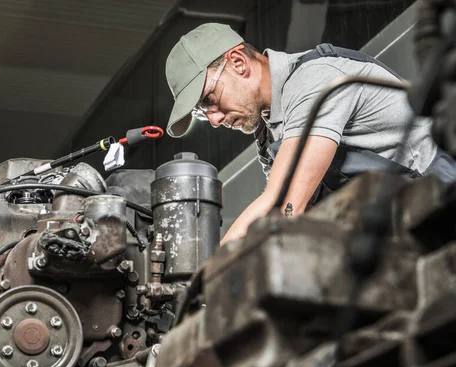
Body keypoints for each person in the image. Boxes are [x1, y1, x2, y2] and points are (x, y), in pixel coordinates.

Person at [164, 23, 456, 245]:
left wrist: (209, 277)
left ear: (238, 64)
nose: (213, 120)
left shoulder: (312, 81)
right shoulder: (270, 136)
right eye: (203, 114)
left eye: (210, 101)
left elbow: (285, 205)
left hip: (442, 194)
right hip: (399, 222)